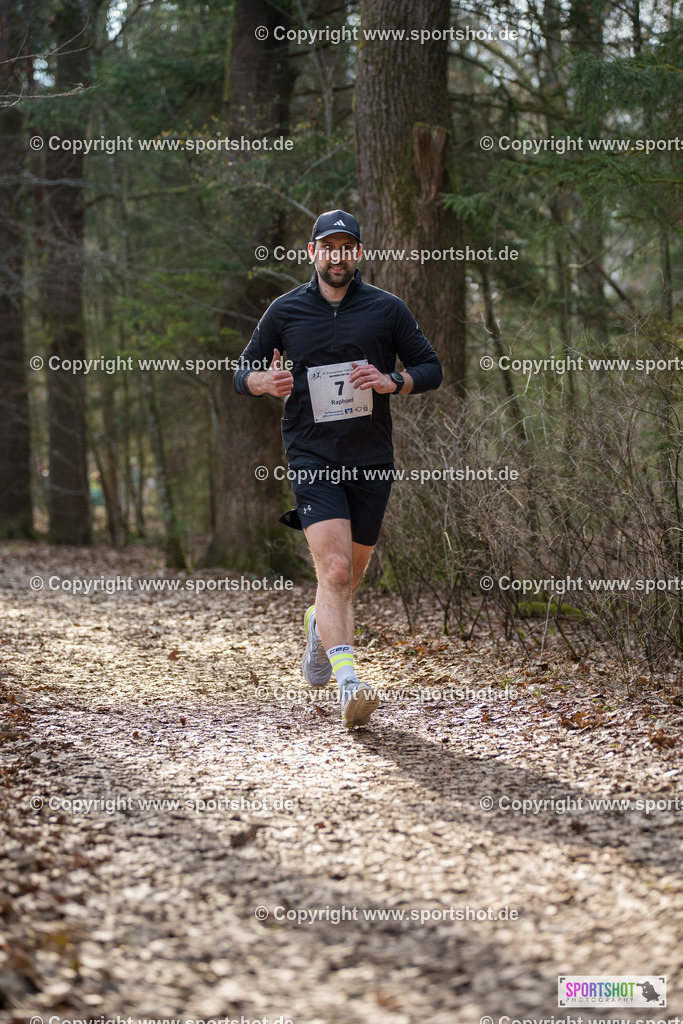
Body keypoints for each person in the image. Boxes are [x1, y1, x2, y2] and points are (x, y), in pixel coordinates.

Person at [233, 210, 442, 728]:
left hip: (371, 458)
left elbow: (431, 368)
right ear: (313, 253)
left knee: (348, 581)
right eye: (329, 246)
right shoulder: (284, 311)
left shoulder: (386, 309)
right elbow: (243, 372)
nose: (338, 255)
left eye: (347, 247)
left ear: (358, 254)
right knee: (337, 570)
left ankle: (317, 624)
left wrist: (393, 381)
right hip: (312, 454)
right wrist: (266, 383)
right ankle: (350, 683)